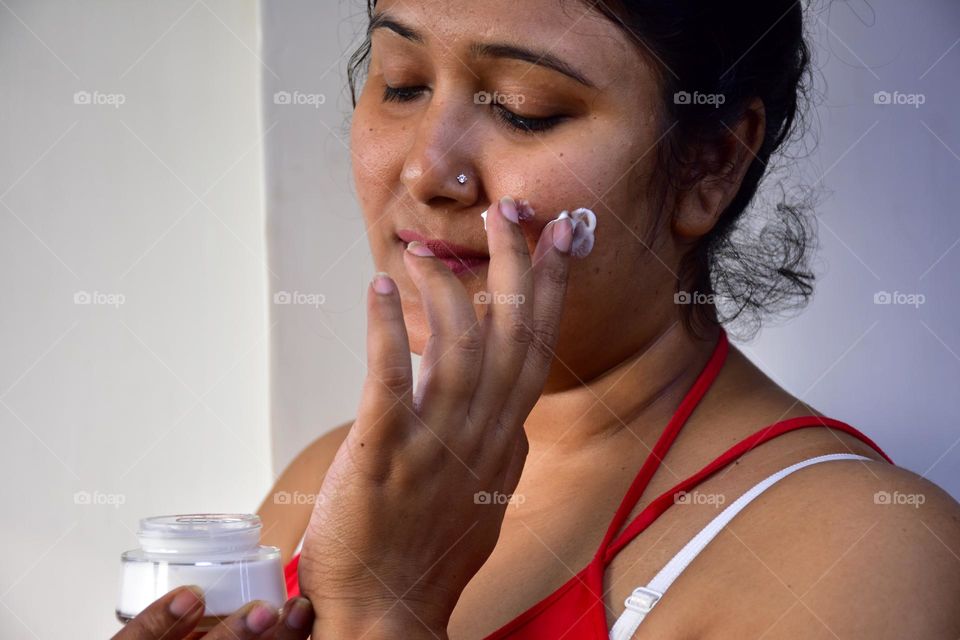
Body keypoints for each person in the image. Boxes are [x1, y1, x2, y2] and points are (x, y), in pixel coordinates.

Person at [115, 1, 960, 638]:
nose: (425, 170)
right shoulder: (337, 475)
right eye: (401, 83)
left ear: (710, 162)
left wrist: (387, 606)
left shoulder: (870, 549)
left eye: (523, 107)